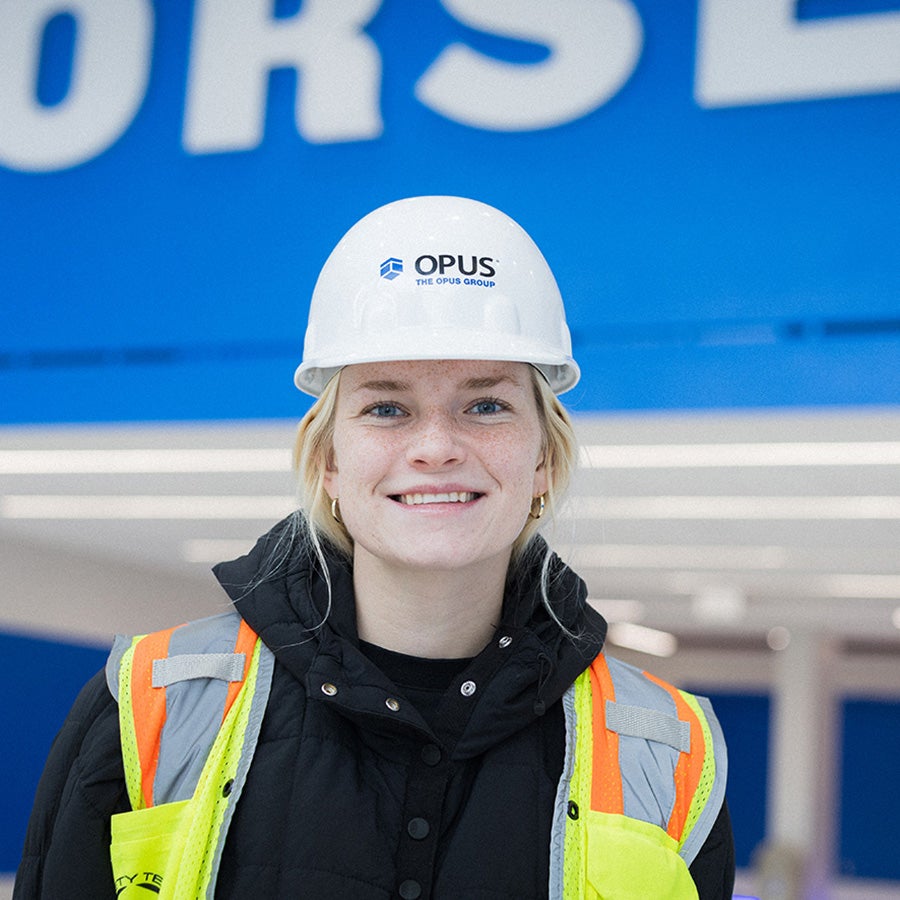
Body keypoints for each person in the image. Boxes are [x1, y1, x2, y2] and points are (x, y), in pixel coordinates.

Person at [16, 196, 735, 899]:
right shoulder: (151, 710)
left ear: (543, 459)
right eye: (386, 408)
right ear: (328, 461)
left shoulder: (666, 756)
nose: (435, 448)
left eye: (486, 405)